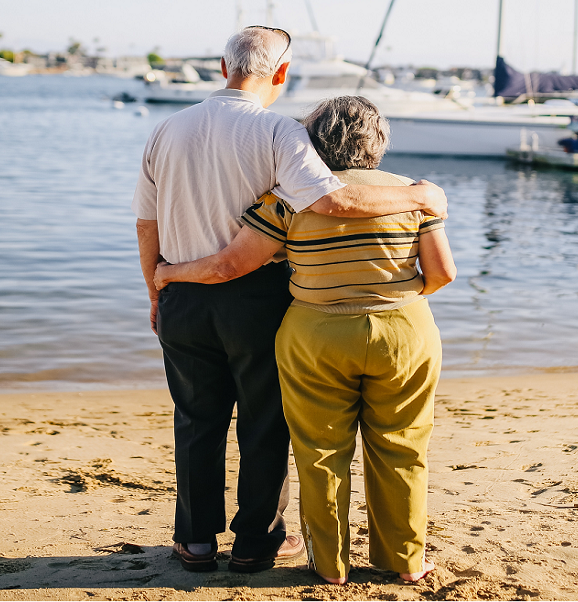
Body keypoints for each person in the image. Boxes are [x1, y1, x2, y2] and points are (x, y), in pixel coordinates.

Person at [132, 26, 448, 574]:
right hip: (257, 299)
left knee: (196, 420)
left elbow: (146, 224)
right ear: (280, 72)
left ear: (221, 65)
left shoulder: (166, 129)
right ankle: (255, 543)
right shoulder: (280, 131)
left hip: (181, 292)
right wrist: (420, 196)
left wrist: (156, 287)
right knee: (263, 421)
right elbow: (335, 197)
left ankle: (196, 542)